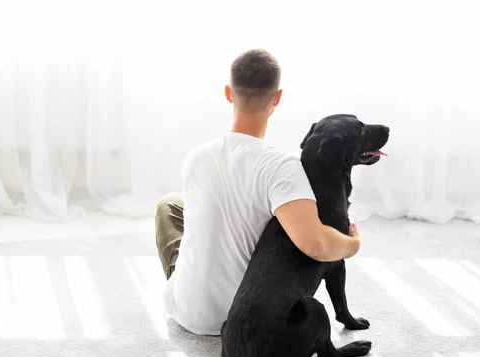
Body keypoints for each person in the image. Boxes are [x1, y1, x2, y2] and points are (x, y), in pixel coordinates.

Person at [154, 49, 360, 336]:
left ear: (228, 93)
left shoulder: (197, 157)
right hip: (243, 314)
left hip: (185, 311)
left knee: (168, 206)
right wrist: (352, 244)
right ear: (277, 97)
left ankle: (191, 286)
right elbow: (314, 243)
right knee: (174, 204)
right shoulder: (282, 167)